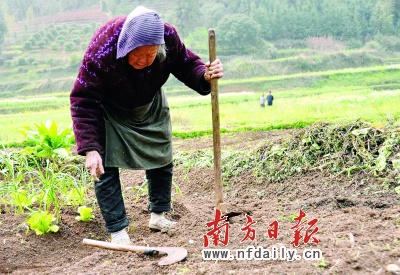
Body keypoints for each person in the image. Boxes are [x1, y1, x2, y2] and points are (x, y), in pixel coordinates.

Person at [70, 6, 224, 245]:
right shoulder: (103, 47)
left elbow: (187, 65)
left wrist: (205, 75)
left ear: (159, 48)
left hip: (149, 104)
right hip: (110, 110)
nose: (143, 60)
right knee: (104, 165)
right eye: (137, 54)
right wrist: (90, 148)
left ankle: (158, 215)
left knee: (162, 152)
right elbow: (83, 99)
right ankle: (118, 231)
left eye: (150, 54)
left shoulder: (168, 38)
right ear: (125, 48)